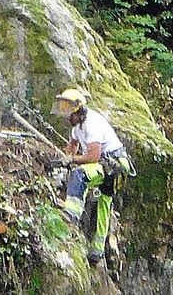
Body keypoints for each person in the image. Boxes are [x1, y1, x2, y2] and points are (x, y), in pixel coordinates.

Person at [50, 87, 132, 265]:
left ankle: (72, 215)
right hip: (107, 164)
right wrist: (66, 159)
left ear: (77, 110)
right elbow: (72, 145)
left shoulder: (91, 124)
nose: (66, 117)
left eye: (69, 113)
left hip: (114, 165)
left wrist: (73, 161)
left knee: (81, 175)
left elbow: (93, 156)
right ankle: (96, 252)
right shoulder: (77, 125)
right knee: (103, 203)